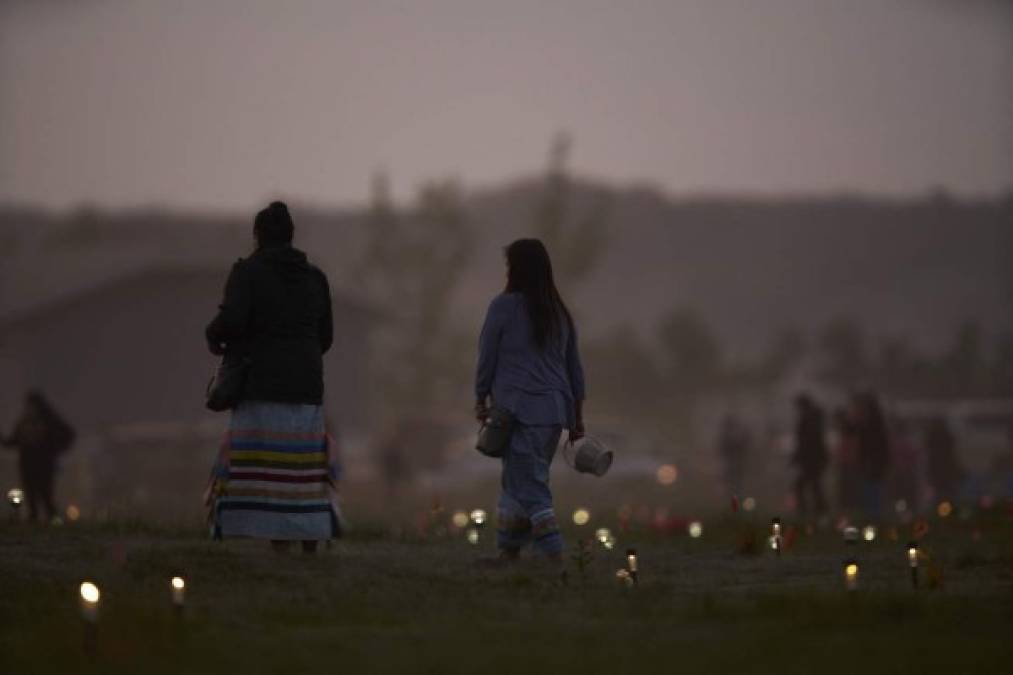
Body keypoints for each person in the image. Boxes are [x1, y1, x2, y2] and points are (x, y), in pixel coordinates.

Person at [205, 201, 337, 554]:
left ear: (258, 235)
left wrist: (212, 334)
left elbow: (231, 322)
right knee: (301, 474)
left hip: (260, 388)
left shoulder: (247, 273)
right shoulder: (315, 278)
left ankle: (275, 537)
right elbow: (326, 338)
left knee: (265, 472)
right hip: (307, 390)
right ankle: (308, 536)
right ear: (291, 236)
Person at [474, 239, 586, 566]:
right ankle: (509, 552)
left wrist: (480, 396)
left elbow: (487, 357)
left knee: (530, 484)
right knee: (516, 479)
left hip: (517, 410)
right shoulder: (559, 313)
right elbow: (574, 369)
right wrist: (577, 417)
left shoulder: (504, 307)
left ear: (517, 269)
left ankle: (554, 556)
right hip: (554, 414)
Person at [2, 391, 75, 522]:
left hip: (44, 465)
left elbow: (67, 434)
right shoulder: (24, 423)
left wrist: (55, 449)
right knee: (30, 495)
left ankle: (53, 520)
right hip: (27, 465)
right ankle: (34, 519)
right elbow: (13, 441)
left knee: (45, 494)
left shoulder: (49, 421)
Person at [854, 391, 890, 521]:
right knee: (873, 487)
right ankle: (874, 514)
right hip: (874, 460)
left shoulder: (871, 422)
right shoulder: (874, 421)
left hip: (873, 460)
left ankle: (874, 515)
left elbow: (871, 443)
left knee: (873, 488)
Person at [791, 393, 828, 519]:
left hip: (812, 459)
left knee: (805, 485)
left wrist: (798, 456)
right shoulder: (812, 419)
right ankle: (818, 511)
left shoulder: (810, 420)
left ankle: (811, 511)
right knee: (813, 485)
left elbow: (807, 442)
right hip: (814, 459)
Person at [924, 416, 963, 506]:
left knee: (942, 497)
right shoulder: (942, 447)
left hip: (941, 474)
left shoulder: (935, 446)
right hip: (941, 474)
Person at [832, 406, 860, 515]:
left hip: (848, 465)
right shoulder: (846, 434)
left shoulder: (848, 435)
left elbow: (848, 451)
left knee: (847, 491)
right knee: (846, 491)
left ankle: (848, 512)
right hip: (847, 465)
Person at [717, 413, 751, 499]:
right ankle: (731, 498)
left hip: (736, 463)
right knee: (730, 481)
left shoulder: (735, 436)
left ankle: (735, 498)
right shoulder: (726, 436)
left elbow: (744, 447)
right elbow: (722, 449)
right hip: (730, 463)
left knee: (736, 482)